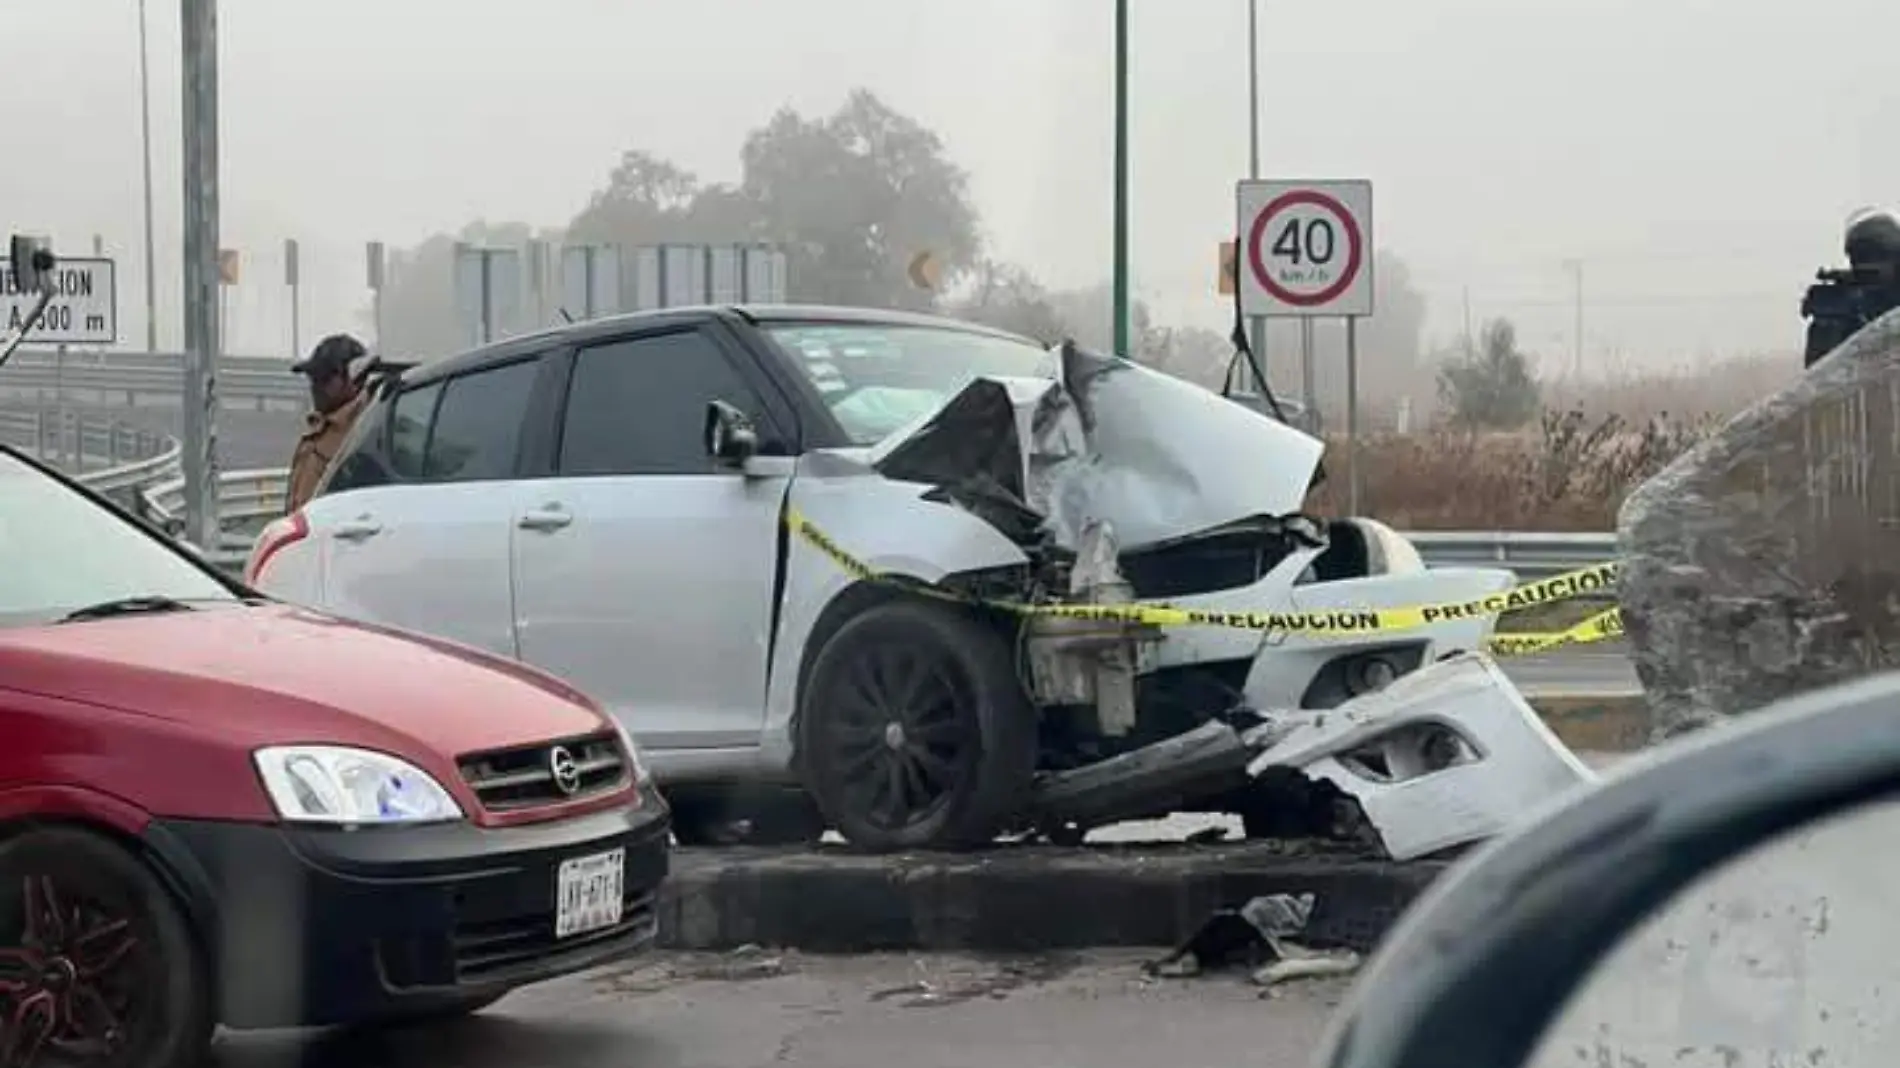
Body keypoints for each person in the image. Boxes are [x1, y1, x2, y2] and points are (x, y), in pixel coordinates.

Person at [284, 333, 371, 513]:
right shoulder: (319, 430)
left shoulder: (367, 428)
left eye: (324, 378)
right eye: (313, 378)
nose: (316, 387)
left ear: (354, 378)